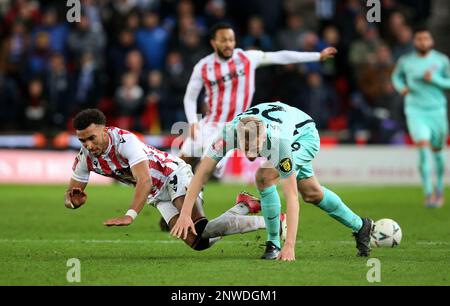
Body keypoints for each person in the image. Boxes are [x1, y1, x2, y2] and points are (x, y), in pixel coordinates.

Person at [158, 22, 337, 230]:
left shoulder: (246, 58)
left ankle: (192, 216)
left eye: (231, 40)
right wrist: (193, 122)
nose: (228, 44)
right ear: (213, 42)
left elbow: (280, 56)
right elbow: (189, 97)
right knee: (180, 163)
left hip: (239, 126)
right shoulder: (204, 66)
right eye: (224, 40)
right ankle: (177, 209)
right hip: (208, 123)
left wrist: (316, 56)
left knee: (203, 170)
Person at [170, 102, 374, 261]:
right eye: (245, 149)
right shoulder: (228, 133)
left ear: (262, 138)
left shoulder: (279, 143)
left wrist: (290, 246)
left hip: (303, 136)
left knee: (264, 177)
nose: (251, 155)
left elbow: (292, 197)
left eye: (256, 149)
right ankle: (361, 225)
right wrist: (185, 213)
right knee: (312, 194)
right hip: (288, 122)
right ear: (237, 139)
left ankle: (274, 243)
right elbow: (201, 173)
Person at [65, 108, 273, 251]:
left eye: (92, 138)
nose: (88, 145)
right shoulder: (85, 158)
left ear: (104, 130)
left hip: (173, 174)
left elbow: (144, 180)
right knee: (199, 243)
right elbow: (72, 193)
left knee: (201, 228)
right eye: (82, 140)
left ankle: (272, 222)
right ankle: (244, 206)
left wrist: (130, 215)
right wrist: (73, 202)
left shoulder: (124, 141)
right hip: (157, 195)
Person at [392, 27, 450, 208]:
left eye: (426, 39)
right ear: (414, 42)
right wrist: (402, 88)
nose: (423, 42)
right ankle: (428, 193)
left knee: (438, 154)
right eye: (419, 39)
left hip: (437, 111)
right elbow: (396, 77)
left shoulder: (441, 60)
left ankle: (439, 188)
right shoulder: (406, 61)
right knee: (423, 149)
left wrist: (434, 79)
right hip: (416, 111)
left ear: (431, 41)